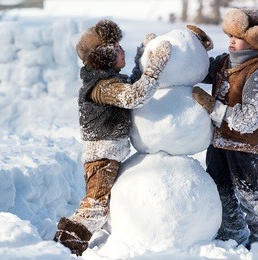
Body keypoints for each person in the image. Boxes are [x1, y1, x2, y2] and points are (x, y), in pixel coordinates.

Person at [53, 19, 171, 256]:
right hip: (101, 158)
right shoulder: (102, 87)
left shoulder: (111, 80)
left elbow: (135, 83)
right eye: (116, 49)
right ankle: (64, 246)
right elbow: (135, 96)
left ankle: (65, 242)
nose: (122, 50)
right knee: (95, 206)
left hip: (109, 156)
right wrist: (155, 67)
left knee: (98, 204)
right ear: (104, 56)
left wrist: (143, 54)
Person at [192, 8, 258, 253]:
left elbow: (249, 120)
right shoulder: (224, 62)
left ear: (255, 40)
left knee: (249, 195)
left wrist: (213, 106)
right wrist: (197, 45)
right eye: (229, 36)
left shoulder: (257, 73)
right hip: (218, 143)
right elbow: (200, 69)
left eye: (237, 36)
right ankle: (231, 234)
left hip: (242, 147)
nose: (231, 41)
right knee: (219, 190)